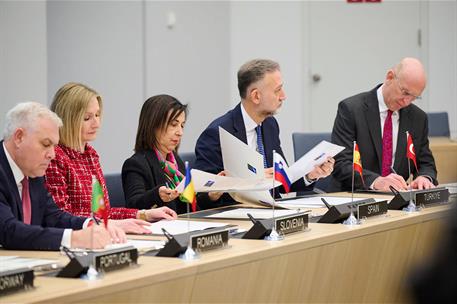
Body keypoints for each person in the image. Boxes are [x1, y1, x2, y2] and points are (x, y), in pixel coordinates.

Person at [194, 59, 334, 201]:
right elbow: (201, 196)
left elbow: (280, 182)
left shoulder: (270, 125)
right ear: (256, 96)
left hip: (272, 212)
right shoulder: (217, 133)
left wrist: (310, 175)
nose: (283, 96)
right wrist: (247, 182)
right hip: (238, 215)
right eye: (277, 90)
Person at [44, 83, 177, 231]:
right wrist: (114, 224)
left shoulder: (91, 155)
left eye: (97, 115)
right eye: (87, 118)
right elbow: (62, 217)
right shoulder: (54, 158)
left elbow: (103, 213)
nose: (96, 123)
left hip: (98, 235)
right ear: (68, 119)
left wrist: (145, 214)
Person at [0, 102, 125, 250]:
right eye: (46, 144)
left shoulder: (33, 172)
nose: (52, 155)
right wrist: (74, 238)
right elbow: (8, 230)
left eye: (54, 146)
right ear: (19, 137)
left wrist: (89, 224)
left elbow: (53, 217)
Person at [330, 57, 437, 192]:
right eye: (405, 92)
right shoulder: (351, 110)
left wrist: (425, 178)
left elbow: (425, 163)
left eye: (414, 97)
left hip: (397, 200)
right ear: (390, 77)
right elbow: (341, 163)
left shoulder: (418, 118)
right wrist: (376, 181)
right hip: (356, 196)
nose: (407, 101)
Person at [122, 94, 223, 214]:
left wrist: (211, 196)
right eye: (174, 125)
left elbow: (188, 204)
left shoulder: (175, 162)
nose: (180, 132)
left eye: (182, 125)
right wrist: (157, 195)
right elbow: (133, 206)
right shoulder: (136, 164)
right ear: (153, 125)